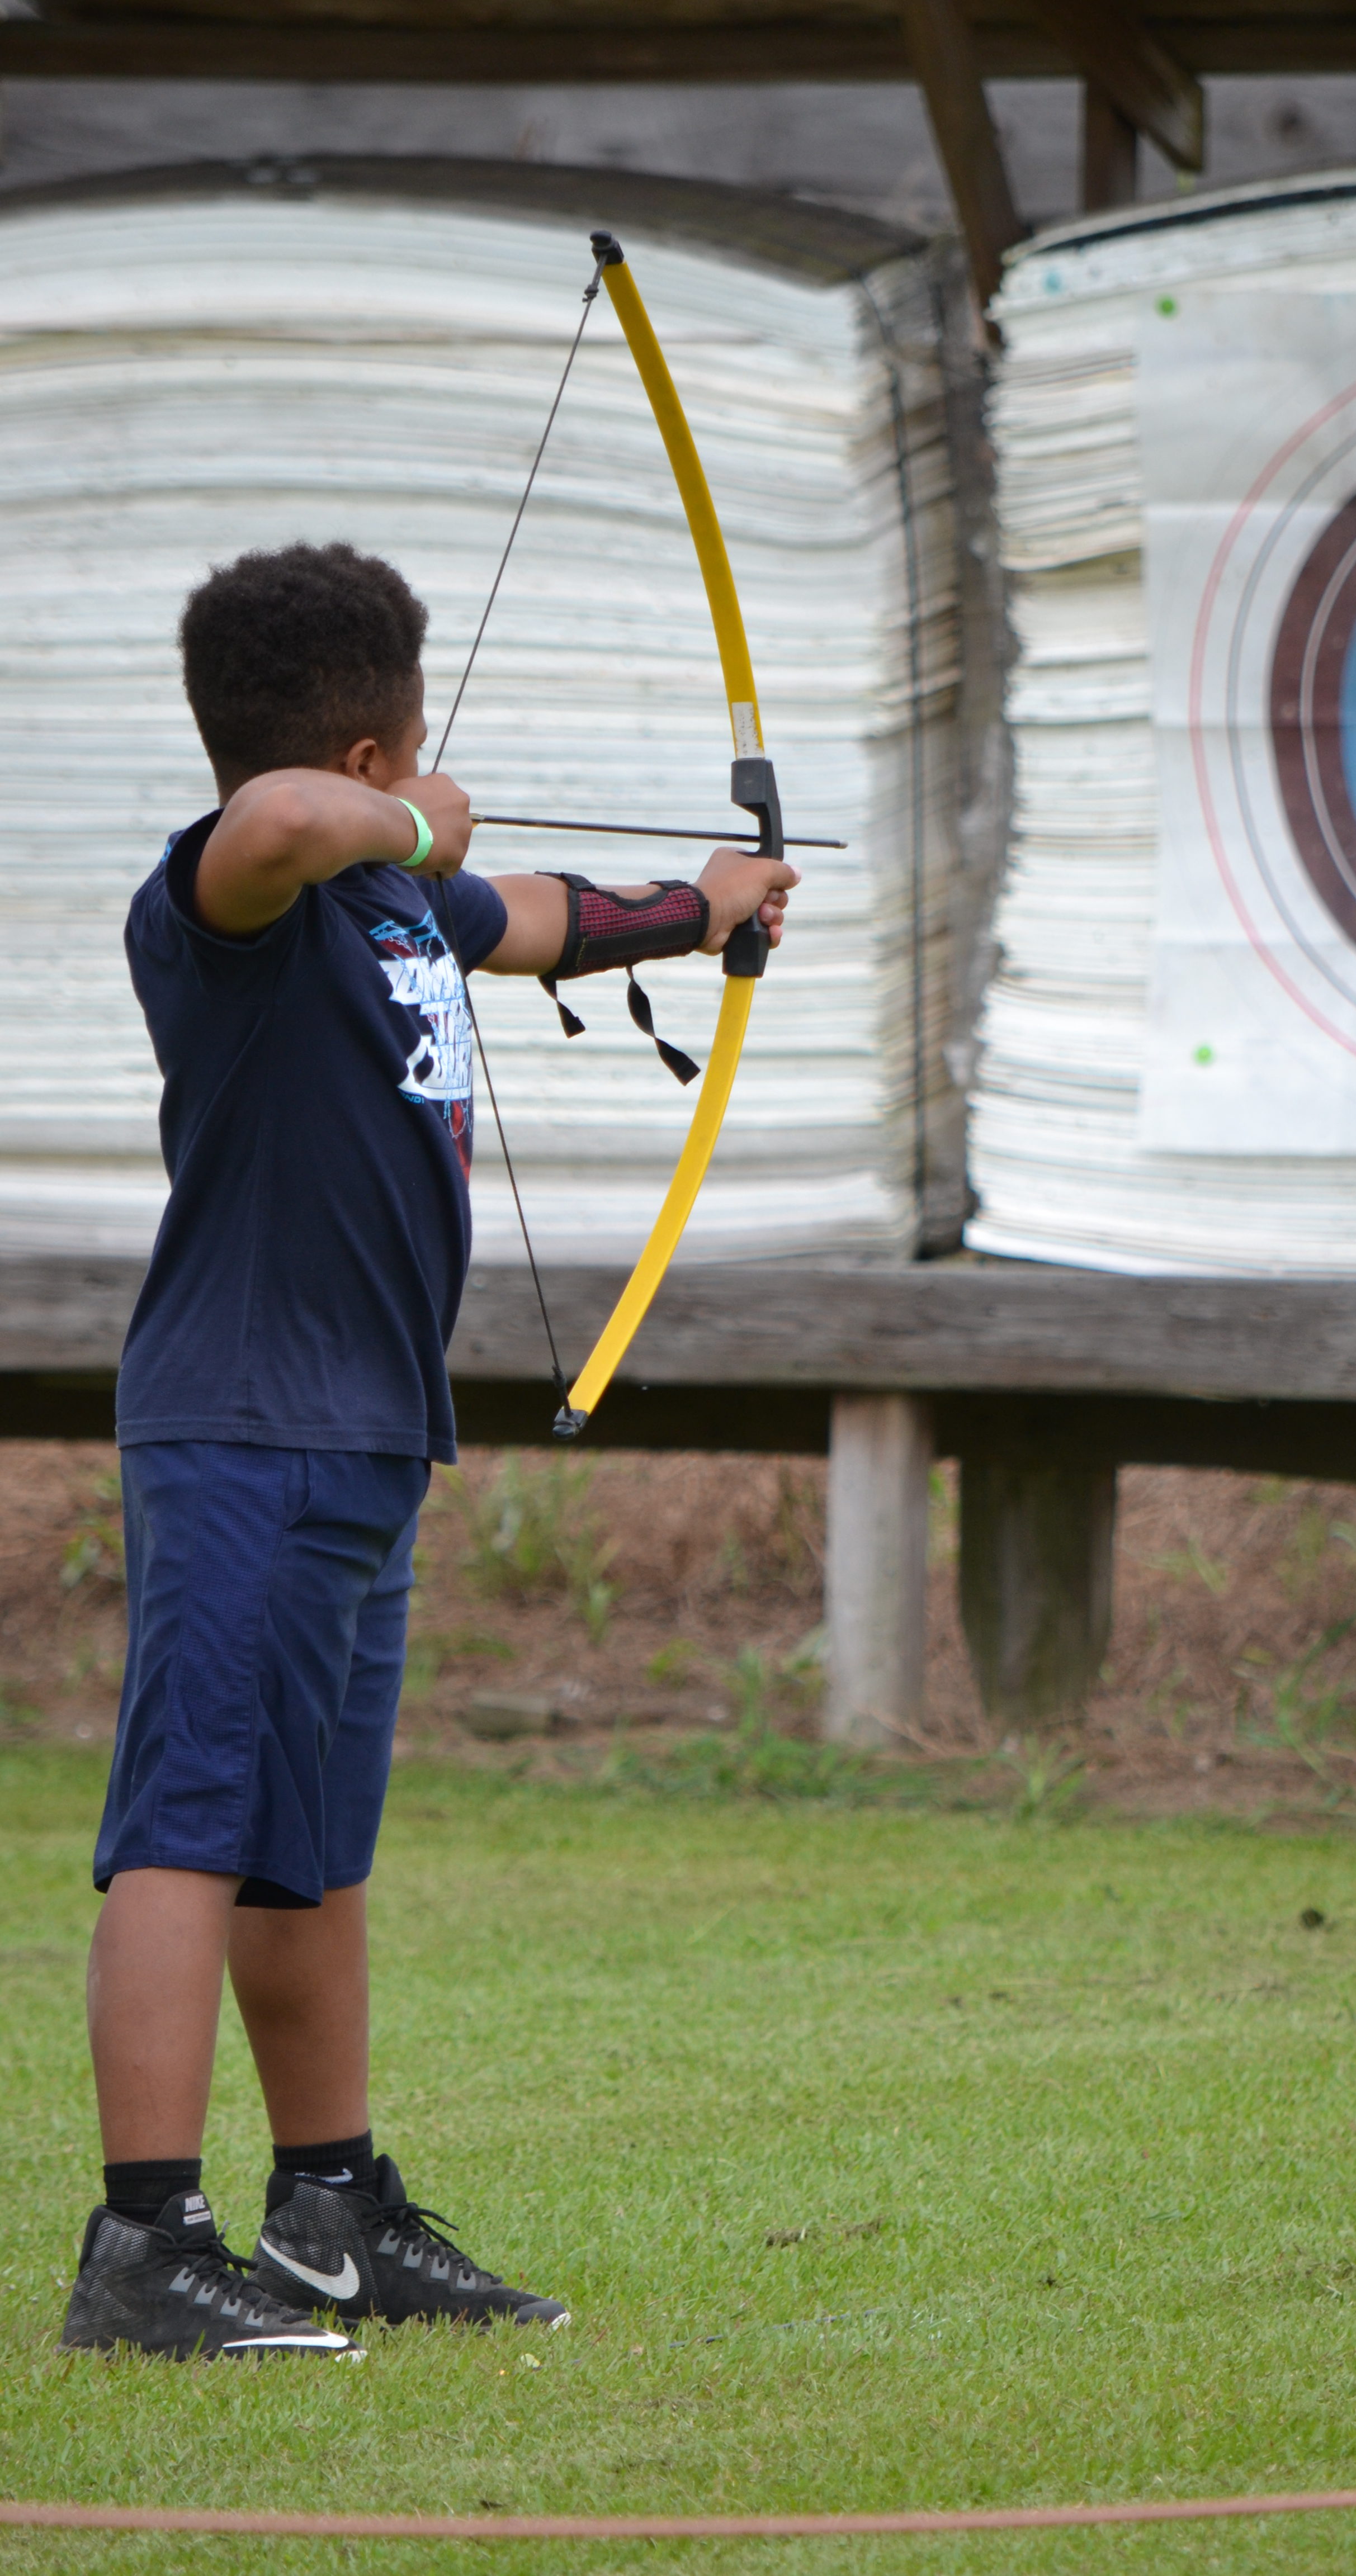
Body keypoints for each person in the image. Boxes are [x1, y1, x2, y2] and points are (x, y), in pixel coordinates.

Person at [59, 541, 797, 2360]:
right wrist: (409, 818)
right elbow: (286, 817)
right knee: (189, 1827)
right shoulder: (228, 901)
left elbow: (543, 915)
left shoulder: (396, 907)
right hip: (238, 1419)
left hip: (368, 1431)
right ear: (380, 752)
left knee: (310, 1844)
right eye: (403, 764)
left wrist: (706, 906)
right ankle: (143, 2244)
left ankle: (331, 2205)